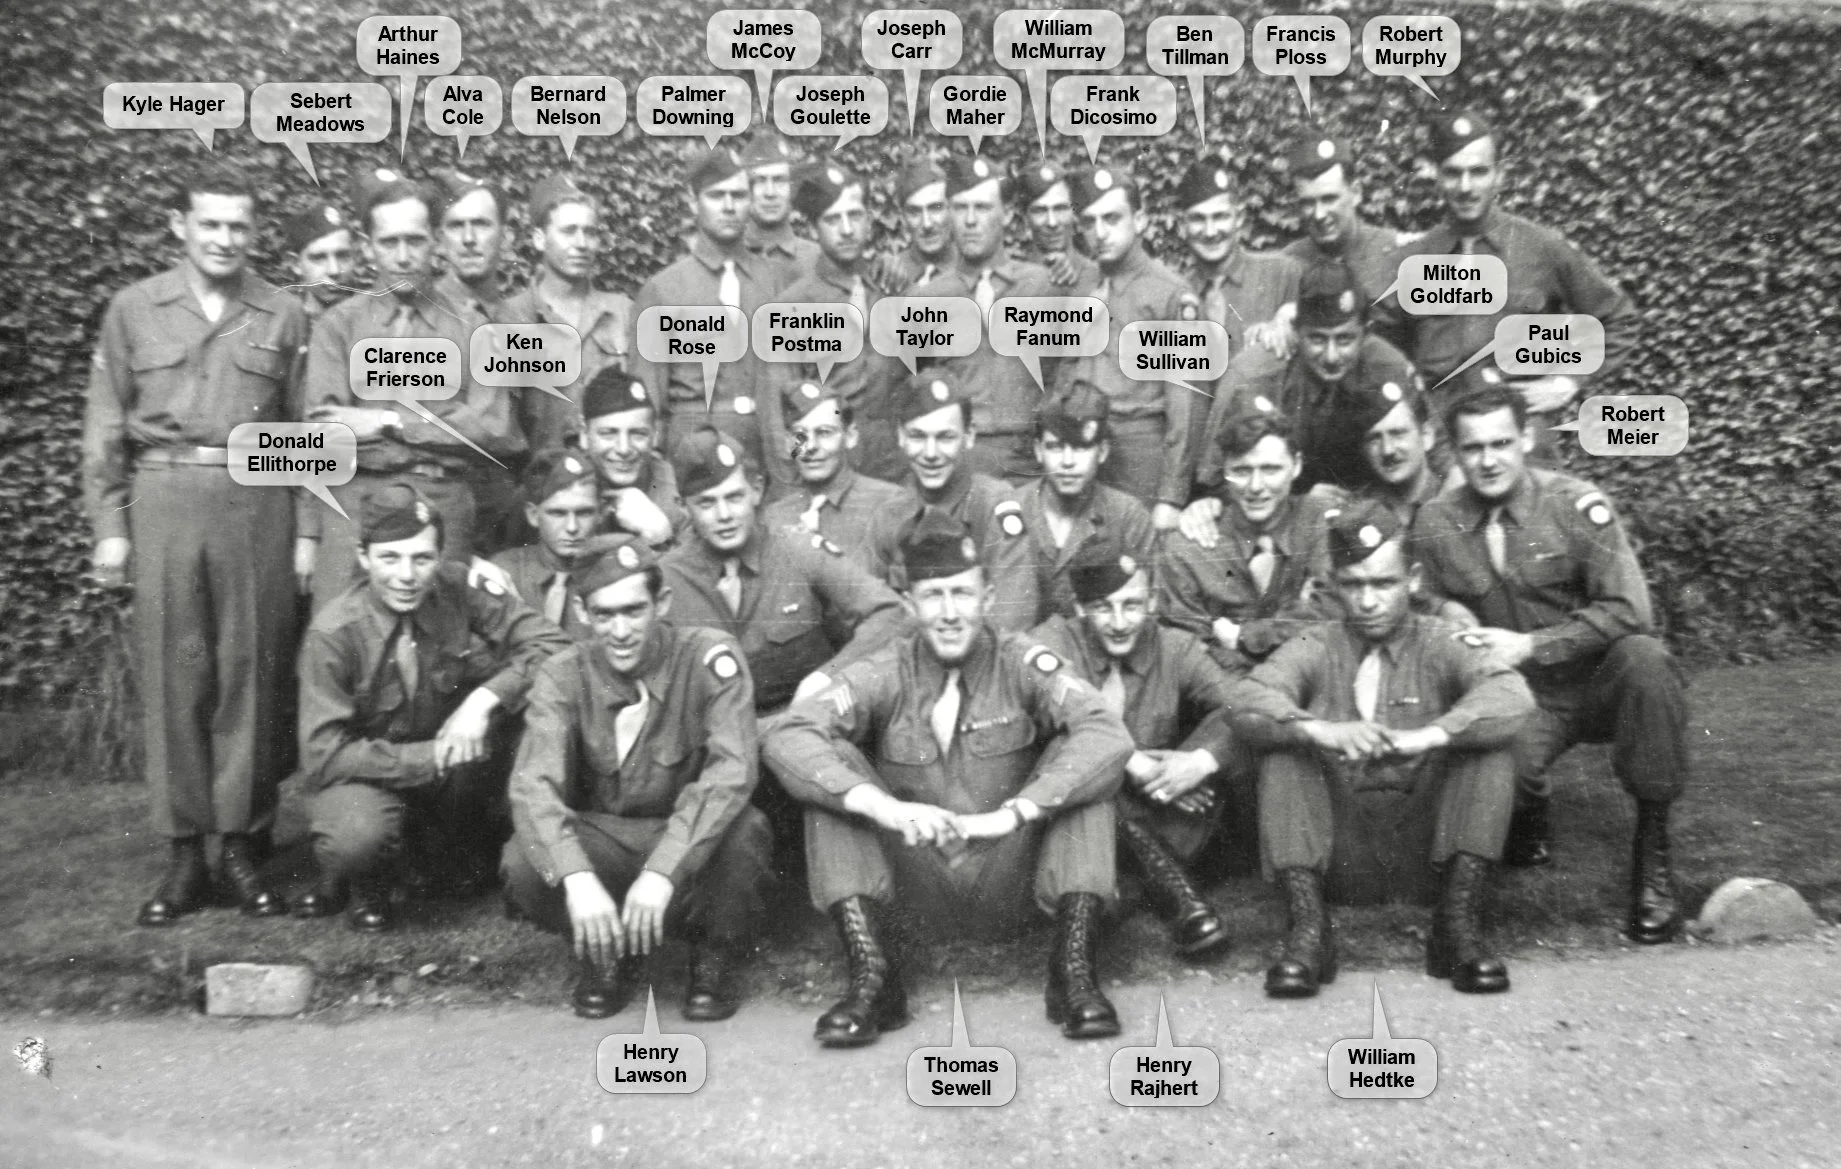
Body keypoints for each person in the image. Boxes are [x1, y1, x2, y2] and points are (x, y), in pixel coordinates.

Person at [762, 510, 1134, 1046]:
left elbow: (1107, 733)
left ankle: (1073, 970)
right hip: (917, 884)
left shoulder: (1021, 660)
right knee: (835, 773)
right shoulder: (886, 668)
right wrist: (885, 807)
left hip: (1009, 873)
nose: (950, 613)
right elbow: (790, 734)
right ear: (910, 605)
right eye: (934, 596)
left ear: (987, 599)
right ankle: (873, 976)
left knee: (1079, 764)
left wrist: (1013, 813)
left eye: (962, 594)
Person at [85, 160, 308, 925]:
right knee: (177, 674)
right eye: (210, 222)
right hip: (165, 498)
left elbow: (304, 431)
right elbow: (104, 425)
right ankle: (184, 851)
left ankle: (242, 845)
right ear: (179, 225)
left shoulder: (282, 312)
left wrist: (306, 533)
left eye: (238, 225)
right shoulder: (134, 308)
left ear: (255, 231)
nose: (224, 237)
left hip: (256, 504)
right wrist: (111, 529)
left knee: (250, 671)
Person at [1411, 387, 1688, 944]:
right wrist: (1444, 609)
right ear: (1455, 452)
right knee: (1505, 790)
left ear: (1526, 438)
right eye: (1473, 448)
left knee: (1647, 660)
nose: (1488, 461)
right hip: (1521, 698)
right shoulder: (1436, 520)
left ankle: (1653, 855)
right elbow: (1420, 600)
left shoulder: (1575, 503)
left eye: (1500, 444)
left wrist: (1532, 645)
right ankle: (1530, 814)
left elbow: (1631, 611)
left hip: (1597, 680)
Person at [1233, 501, 1534, 996]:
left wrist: (1433, 734)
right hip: (1340, 854)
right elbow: (1246, 698)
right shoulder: (1315, 642)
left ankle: (1456, 926)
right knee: (1287, 745)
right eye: (1354, 585)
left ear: (1412, 580)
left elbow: (1512, 695)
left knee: (1487, 745)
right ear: (1335, 585)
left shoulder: (1442, 640)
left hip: (1429, 851)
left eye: (1383, 584)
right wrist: (1319, 730)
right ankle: (1309, 931)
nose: (1368, 601)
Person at [502, 535, 773, 1020]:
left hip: (685, 842)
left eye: (634, 611)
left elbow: (732, 772)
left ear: (661, 603)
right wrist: (577, 878)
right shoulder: (562, 675)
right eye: (604, 615)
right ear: (582, 613)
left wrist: (664, 869)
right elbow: (532, 786)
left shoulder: (708, 657)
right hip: (606, 840)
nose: (621, 631)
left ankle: (712, 954)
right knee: (524, 859)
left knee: (744, 830)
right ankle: (604, 949)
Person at [295, 486, 570, 931]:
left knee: (535, 721)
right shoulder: (334, 633)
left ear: (440, 557)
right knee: (356, 838)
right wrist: (433, 757)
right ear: (363, 558)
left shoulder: (457, 587)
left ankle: (453, 859)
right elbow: (324, 756)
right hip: (370, 776)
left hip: (450, 778)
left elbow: (551, 645)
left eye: (422, 559)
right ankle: (369, 880)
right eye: (390, 558)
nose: (407, 575)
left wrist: (483, 700)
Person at [303, 168, 526, 609]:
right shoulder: (339, 326)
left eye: (416, 241)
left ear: (436, 242)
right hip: (355, 504)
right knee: (341, 630)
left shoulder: (474, 328)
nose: (403, 256)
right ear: (367, 246)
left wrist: (386, 422)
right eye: (389, 242)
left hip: (440, 502)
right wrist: (442, 427)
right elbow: (324, 435)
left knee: (440, 635)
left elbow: (489, 426)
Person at [1031, 532, 1240, 959]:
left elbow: (1243, 705)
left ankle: (1132, 887)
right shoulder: (1053, 642)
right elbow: (1042, 699)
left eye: (1131, 605)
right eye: (1102, 607)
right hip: (1079, 827)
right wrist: (1129, 760)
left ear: (1152, 602)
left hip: (1166, 813)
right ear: (1079, 607)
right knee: (1069, 748)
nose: (1120, 622)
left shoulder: (1174, 647)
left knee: (1228, 731)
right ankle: (1175, 893)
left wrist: (1197, 763)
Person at [1370, 110, 1637, 431]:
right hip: (1443, 433)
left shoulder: (1540, 248)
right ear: (1437, 177)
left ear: (1499, 175)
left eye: (1478, 172)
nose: (1466, 187)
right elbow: (1380, 348)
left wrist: (1567, 382)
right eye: (1453, 173)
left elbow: (1618, 319)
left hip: (1521, 432)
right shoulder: (1412, 259)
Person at [658, 426, 908, 714]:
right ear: (683, 507)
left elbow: (890, 612)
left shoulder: (795, 549)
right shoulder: (666, 579)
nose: (724, 515)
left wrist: (827, 677)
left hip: (802, 721)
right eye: (706, 503)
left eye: (734, 497)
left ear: (756, 490)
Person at [631, 146, 791, 495]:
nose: (730, 206)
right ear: (694, 203)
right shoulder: (664, 290)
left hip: (770, 453)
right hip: (693, 456)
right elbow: (648, 405)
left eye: (739, 195)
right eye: (717, 196)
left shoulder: (779, 282)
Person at [1191, 263, 1420, 501]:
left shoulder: (1386, 365)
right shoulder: (1252, 377)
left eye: (1344, 340)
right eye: (1317, 339)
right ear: (1296, 331)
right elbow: (1214, 483)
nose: (1331, 356)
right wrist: (1297, 505)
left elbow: (1434, 451)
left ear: (1365, 333)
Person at [912, 155, 1062, 484]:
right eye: (960, 208)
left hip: (1031, 459)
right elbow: (919, 384)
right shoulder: (927, 299)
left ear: (1006, 214)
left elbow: (1063, 376)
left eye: (982, 208)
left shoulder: (1043, 286)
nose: (970, 220)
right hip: (962, 460)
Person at [1061, 165, 1198, 520]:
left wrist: (1171, 496)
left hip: (1139, 456)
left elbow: (1183, 406)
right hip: (1082, 449)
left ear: (1139, 221)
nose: (1100, 233)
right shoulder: (1082, 287)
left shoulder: (1169, 293)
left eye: (1112, 218)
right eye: (1089, 222)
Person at [1160, 411, 1333, 674]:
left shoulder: (1319, 522)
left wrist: (1242, 638)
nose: (1255, 486)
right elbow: (1188, 655)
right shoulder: (1187, 549)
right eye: (1241, 471)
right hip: (1225, 692)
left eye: (1271, 470)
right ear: (1224, 471)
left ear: (1296, 466)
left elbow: (1331, 612)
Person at [872, 371, 1041, 633]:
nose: (931, 453)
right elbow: (872, 612)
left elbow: (1012, 615)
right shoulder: (889, 513)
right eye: (918, 436)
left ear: (969, 436)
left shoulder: (994, 505)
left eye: (945, 437)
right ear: (900, 436)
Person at [769, 162, 905, 481]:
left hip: (896, 472)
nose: (846, 229)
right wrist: (795, 488)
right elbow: (779, 415)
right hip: (829, 471)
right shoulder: (792, 308)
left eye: (855, 215)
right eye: (832, 219)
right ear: (813, 228)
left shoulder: (892, 289)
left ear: (869, 219)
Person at [1173, 154, 1302, 486]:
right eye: (1198, 219)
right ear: (1182, 225)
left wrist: (1292, 316)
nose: (1211, 231)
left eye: (1220, 217)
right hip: (1200, 476)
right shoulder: (1174, 294)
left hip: (1269, 470)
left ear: (1239, 218)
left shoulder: (1282, 273)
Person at [496, 173, 633, 453]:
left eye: (590, 232)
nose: (581, 243)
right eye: (569, 231)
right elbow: (502, 429)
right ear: (539, 239)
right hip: (542, 474)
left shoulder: (623, 312)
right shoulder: (510, 319)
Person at [1015, 383, 1155, 623]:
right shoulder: (1011, 509)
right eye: (1055, 447)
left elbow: (1147, 609)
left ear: (1102, 452)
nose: (1067, 461)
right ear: (1038, 451)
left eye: (1081, 448)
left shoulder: (1128, 517)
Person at [760, 380, 909, 578]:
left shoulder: (890, 504)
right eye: (799, 435)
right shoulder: (775, 518)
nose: (810, 446)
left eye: (824, 433)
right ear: (789, 443)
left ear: (850, 436)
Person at [1280, 135, 1410, 304]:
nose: (1319, 214)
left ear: (1356, 193)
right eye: (1308, 203)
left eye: (1329, 199)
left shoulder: (1399, 255)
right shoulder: (1288, 265)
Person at [491, 449, 608, 636]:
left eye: (584, 513)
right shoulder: (506, 572)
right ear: (533, 515)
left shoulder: (614, 576)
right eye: (558, 513)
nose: (572, 527)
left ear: (601, 513)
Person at [577, 363, 686, 548]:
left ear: (654, 435)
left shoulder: (679, 487)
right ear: (584, 434)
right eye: (608, 434)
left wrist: (661, 536)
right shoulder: (562, 488)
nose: (624, 449)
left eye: (638, 434)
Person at [740, 131, 821, 286]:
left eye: (779, 180)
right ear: (746, 189)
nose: (770, 193)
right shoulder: (727, 259)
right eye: (760, 181)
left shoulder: (819, 261)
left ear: (792, 189)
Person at [431, 168, 511, 317]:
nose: (468, 238)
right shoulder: (415, 318)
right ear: (439, 241)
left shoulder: (523, 320)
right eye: (456, 226)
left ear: (504, 237)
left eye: (481, 224)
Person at [872, 156, 957, 292]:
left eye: (935, 208)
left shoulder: (973, 269)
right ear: (903, 218)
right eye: (914, 212)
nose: (927, 224)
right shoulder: (888, 275)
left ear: (952, 209)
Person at [1013, 159, 1097, 289]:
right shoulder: (1011, 282)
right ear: (1025, 217)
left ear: (1074, 213)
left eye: (1060, 209)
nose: (1052, 222)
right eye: (1040, 211)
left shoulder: (1099, 279)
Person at [281, 202, 354, 327]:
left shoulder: (372, 320)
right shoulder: (284, 324)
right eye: (319, 258)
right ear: (296, 264)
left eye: (342, 256)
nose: (334, 270)